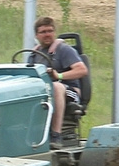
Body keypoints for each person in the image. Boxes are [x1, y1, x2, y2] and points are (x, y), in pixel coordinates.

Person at [30, 17, 88, 147]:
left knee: (55, 87)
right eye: (43, 32)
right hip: (44, 90)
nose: (47, 34)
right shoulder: (34, 54)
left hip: (70, 92)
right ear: (36, 35)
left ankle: (56, 135)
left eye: (50, 31)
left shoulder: (64, 50)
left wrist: (59, 75)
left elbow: (82, 70)